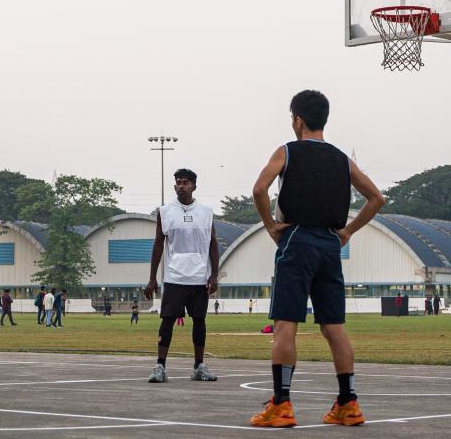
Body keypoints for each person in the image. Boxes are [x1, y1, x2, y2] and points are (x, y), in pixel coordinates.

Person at [248, 90, 384, 428]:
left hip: (297, 239)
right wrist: (348, 231)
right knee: (333, 326)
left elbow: (259, 189)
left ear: (298, 119)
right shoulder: (341, 159)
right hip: (328, 243)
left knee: (285, 324)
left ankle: (281, 404)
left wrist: (270, 225)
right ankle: (348, 403)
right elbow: (376, 197)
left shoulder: (287, 152)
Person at [144, 168, 221, 383]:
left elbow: (213, 244)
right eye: (178, 182)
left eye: (185, 182)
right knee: (167, 321)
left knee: (199, 320)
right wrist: (152, 278)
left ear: (194, 186)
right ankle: (160, 366)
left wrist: (214, 275)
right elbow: (158, 244)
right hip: (174, 276)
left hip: (199, 277)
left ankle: (199, 366)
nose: (181, 186)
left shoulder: (206, 212)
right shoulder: (165, 211)